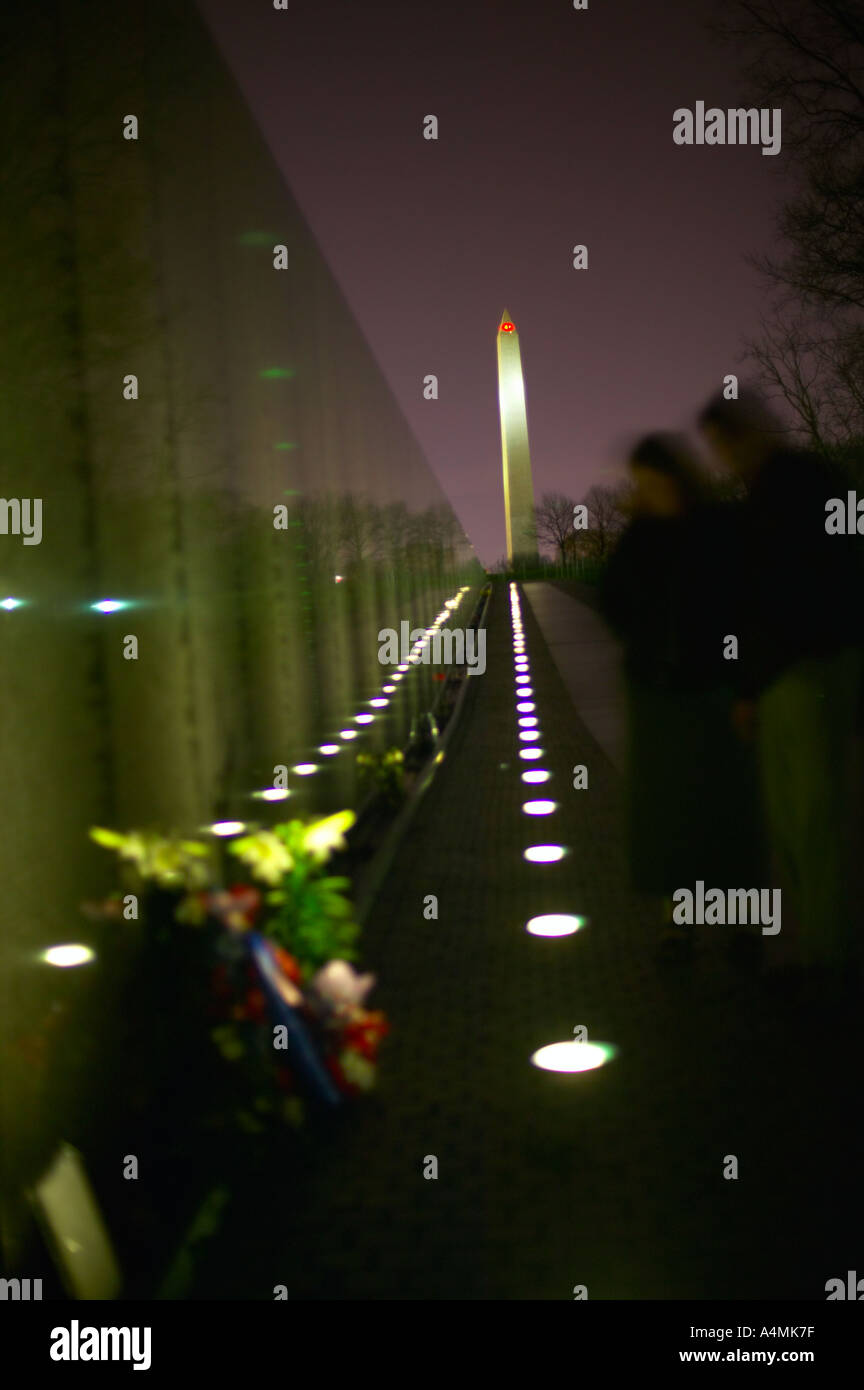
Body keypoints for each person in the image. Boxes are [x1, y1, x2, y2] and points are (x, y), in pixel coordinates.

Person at [698, 389, 863, 992]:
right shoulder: (806, 483)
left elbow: (775, 599)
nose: (718, 457)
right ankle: (818, 947)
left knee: (808, 816)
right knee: (806, 817)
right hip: (810, 664)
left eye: (719, 443)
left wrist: (749, 683)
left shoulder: (778, 495)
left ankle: (825, 955)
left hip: (798, 670)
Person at [600, 433, 764, 962]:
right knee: (672, 813)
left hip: (713, 689)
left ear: (673, 477)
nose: (646, 489)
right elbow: (613, 601)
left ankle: (738, 923)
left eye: (652, 478)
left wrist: (743, 684)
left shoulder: (717, 529)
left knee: (725, 809)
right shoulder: (642, 536)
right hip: (659, 694)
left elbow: (744, 609)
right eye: (640, 481)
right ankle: (680, 923)